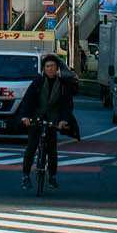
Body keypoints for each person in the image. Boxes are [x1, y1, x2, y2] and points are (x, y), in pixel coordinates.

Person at [20, 54, 72, 191]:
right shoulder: (37, 82)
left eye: (53, 66)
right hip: (36, 117)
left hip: (52, 119)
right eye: (47, 66)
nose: (50, 69)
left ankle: (52, 176)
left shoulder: (62, 84)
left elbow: (67, 104)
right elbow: (27, 100)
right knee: (31, 147)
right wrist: (25, 116)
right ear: (44, 68)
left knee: (52, 149)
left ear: (57, 68)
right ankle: (25, 176)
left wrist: (64, 120)